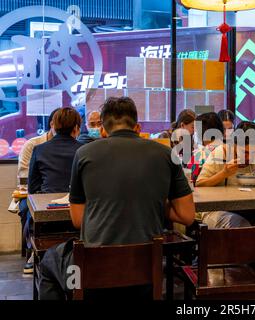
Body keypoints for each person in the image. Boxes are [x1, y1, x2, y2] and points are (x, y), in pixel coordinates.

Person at [38, 97, 195, 300]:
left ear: (102, 129)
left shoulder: (84, 154)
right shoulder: (168, 154)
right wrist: (154, 201)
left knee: (49, 261)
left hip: (92, 276)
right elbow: (187, 215)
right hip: (146, 275)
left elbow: (78, 220)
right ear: (137, 127)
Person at [195, 121, 255, 297]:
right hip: (217, 211)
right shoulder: (220, 153)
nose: (249, 156)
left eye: (252, 151)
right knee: (240, 223)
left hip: (252, 210)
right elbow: (199, 185)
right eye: (244, 152)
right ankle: (242, 287)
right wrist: (223, 173)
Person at [17, 107, 59, 274]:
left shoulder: (73, 146)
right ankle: (33, 252)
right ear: (52, 124)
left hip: (62, 195)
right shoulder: (33, 145)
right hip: (35, 194)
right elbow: (23, 176)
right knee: (27, 209)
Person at [28, 107, 83, 194]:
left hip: (46, 204)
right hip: (77, 203)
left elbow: (32, 188)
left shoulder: (39, 149)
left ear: (54, 126)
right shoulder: (84, 150)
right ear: (76, 128)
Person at [187, 112, 224, 185]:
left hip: (203, 193)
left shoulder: (200, 154)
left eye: (196, 130)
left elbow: (190, 179)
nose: (194, 133)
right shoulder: (229, 150)